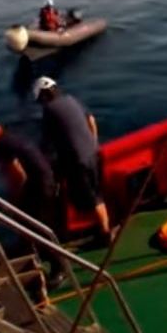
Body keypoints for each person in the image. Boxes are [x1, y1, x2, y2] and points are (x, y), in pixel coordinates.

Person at [0, 112, 65, 287]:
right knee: (32, 226)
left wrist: (15, 201)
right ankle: (30, 251)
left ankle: (59, 268)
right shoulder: (7, 135)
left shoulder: (3, 145)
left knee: (36, 228)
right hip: (45, 180)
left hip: (40, 186)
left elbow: (19, 176)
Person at [33, 76, 110, 242]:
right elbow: (91, 120)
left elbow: (46, 143)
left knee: (92, 198)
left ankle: (105, 234)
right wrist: (93, 143)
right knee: (96, 193)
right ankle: (102, 228)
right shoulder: (71, 99)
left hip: (79, 160)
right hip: (93, 154)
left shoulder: (49, 110)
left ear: (44, 95)